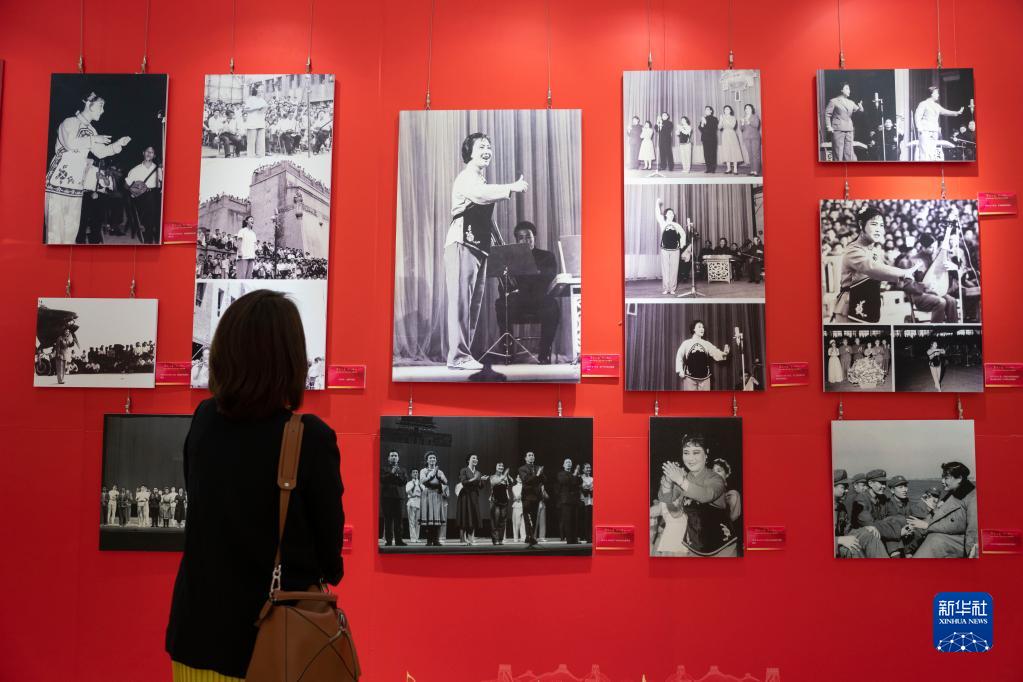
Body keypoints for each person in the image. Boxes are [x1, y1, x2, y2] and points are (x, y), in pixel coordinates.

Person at [166, 289, 344, 681]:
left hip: (196, 637)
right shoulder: (310, 437)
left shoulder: (204, 420)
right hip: (276, 647)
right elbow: (330, 559)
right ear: (290, 359)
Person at [445, 133, 528, 371]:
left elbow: (487, 220)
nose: (487, 150)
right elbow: (481, 196)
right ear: (470, 153)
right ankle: (458, 356)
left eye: (489, 147)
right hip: (462, 243)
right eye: (481, 146)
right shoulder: (466, 177)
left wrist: (499, 246)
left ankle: (463, 355)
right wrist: (511, 187)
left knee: (472, 305)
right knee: (461, 303)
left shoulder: (480, 180)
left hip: (478, 246)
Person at [44, 92, 132, 244]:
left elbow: (101, 152)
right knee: (55, 232)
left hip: (76, 186)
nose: (103, 110)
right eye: (100, 106)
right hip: (57, 183)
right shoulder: (69, 122)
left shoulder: (92, 130)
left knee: (71, 232)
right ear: (88, 104)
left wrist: (117, 144)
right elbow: (70, 143)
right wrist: (94, 139)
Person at [833, 206, 919, 323]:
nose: (878, 229)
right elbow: (873, 269)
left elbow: (882, 272)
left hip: (869, 304)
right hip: (850, 306)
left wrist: (902, 279)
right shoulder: (853, 250)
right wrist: (904, 273)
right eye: (874, 224)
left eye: (881, 225)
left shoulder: (874, 250)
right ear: (861, 224)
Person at [494, 221, 560, 364]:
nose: (525, 241)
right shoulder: (510, 258)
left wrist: (529, 275)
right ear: (517, 240)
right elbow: (503, 287)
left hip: (539, 300)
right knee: (501, 303)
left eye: (528, 237)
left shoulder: (547, 256)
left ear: (534, 237)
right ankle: (508, 351)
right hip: (518, 302)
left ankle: (544, 354)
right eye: (521, 238)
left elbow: (548, 278)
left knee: (553, 305)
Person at [660, 435, 734, 556]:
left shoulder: (716, 478)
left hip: (723, 547)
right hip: (694, 547)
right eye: (686, 453)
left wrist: (680, 480)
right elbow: (667, 499)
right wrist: (667, 483)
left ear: (706, 453)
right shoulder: (684, 478)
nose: (690, 458)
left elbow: (706, 495)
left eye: (696, 452)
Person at [908, 461, 978, 558]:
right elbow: (938, 514)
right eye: (942, 477)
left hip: (959, 542)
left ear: (959, 479)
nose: (942, 481)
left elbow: (972, 532)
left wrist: (927, 526)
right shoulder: (952, 493)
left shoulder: (973, 498)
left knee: (934, 540)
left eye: (946, 478)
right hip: (945, 536)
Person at [833, 470, 886, 558]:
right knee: (853, 548)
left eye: (847, 487)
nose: (847, 490)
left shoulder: (841, 507)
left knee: (869, 534)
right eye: (843, 487)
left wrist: (865, 528)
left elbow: (847, 529)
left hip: (843, 538)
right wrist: (838, 540)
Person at [675, 320, 730, 391]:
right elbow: (679, 356)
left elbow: (715, 352)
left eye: (703, 327)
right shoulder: (686, 343)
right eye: (699, 327)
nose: (702, 329)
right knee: (690, 398)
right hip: (689, 377)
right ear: (693, 329)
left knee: (705, 398)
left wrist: (724, 353)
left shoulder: (706, 343)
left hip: (705, 378)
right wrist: (680, 370)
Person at [124, 146, 164, 244]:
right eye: (147, 151)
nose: (149, 153)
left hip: (156, 194)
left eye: (151, 152)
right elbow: (126, 185)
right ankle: (148, 241)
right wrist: (134, 190)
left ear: (154, 155)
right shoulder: (135, 170)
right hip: (142, 197)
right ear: (143, 153)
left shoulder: (159, 168)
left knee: (157, 218)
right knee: (149, 219)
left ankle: (156, 239)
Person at [915, 86, 964, 160]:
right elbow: (917, 116)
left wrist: (956, 112)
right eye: (937, 93)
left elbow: (945, 111)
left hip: (934, 131)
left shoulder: (936, 106)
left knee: (932, 152)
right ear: (932, 94)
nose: (938, 95)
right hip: (925, 131)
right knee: (924, 152)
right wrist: (919, 128)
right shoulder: (923, 104)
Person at [824, 82, 863, 161]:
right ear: (841, 90)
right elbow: (827, 114)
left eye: (849, 89)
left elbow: (859, 111)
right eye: (847, 88)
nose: (849, 91)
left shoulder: (851, 102)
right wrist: (828, 126)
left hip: (849, 129)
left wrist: (861, 108)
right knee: (838, 154)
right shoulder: (833, 101)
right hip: (838, 129)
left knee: (848, 154)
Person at [655, 199, 685, 296]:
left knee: (674, 270)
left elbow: (683, 235)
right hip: (664, 249)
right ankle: (666, 288)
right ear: (666, 215)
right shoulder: (663, 223)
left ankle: (672, 288)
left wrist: (682, 244)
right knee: (665, 270)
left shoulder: (677, 225)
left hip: (675, 250)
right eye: (669, 213)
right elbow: (657, 214)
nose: (671, 214)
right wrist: (657, 203)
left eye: (672, 213)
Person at [457, 454, 487, 545]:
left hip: (474, 496)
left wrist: (482, 480)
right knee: (464, 516)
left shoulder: (478, 472)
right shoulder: (464, 470)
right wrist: (475, 478)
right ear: (468, 460)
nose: (476, 459)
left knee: (473, 516)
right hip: (465, 496)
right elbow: (464, 482)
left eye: (476, 458)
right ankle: (463, 539)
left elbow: (480, 487)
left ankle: (471, 539)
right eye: (473, 458)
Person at [418, 452, 447, 547]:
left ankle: (436, 540)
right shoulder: (423, 470)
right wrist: (431, 474)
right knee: (429, 517)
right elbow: (422, 481)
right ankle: (429, 540)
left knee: (437, 517)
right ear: (427, 460)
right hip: (428, 494)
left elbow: (445, 482)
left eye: (434, 458)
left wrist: (439, 477)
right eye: (430, 458)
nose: (432, 459)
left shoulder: (440, 471)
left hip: (437, 495)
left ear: (436, 460)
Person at [380, 450, 407, 547]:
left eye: (395, 455)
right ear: (388, 458)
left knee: (399, 520)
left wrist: (396, 474)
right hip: (387, 497)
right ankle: (388, 540)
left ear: (398, 458)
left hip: (399, 497)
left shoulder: (402, 470)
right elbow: (382, 479)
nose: (394, 457)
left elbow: (403, 482)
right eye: (392, 456)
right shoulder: (384, 468)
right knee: (388, 520)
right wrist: (392, 473)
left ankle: (399, 540)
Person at [518, 452, 545, 547]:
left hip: (536, 496)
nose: (531, 457)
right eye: (529, 455)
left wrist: (541, 475)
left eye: (533, 455)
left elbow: (544, 479)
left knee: (534, 517)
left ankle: (531, 536)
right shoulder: (522, 468)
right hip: (527, 496)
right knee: (527, 517)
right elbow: (526, 480)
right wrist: (537, 475)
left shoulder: (538, 468)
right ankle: (530, 536)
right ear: (525, 458)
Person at [556, 459, 583, 544]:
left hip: (574, 500)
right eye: (567, 462)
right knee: (568, 521)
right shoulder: (561, 474)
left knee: (574, 520)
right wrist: (575, 474)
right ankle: (570, 540)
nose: (568, 464)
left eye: (570, 462)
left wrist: (578, 474)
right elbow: (566, 481)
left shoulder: (573, 474)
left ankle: (574, 539)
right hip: (566, 500)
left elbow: (579, 482)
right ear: (563, 465)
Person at [488, 463, 512, 545]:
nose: (501, 467)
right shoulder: (492, 477)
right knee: (495, 520)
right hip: (495, 501)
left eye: (502, 466)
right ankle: (495, 539)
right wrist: (504, 476)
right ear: (496, 468)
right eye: (499, 466)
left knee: (502, 521)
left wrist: (508, 477)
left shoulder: (505, 477)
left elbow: (510, 484)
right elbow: (494, 483)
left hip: (504, 501)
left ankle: (500, 539)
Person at [243, 83, 268, 158]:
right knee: (251, 142)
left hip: (260, 122)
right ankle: (251, 156)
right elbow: (245, 110)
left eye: (263, 89)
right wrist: (256, 108)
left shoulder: (263, 100)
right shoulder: (250, 99)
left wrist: (264, 109)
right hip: (252, 122)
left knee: (261, 142)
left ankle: (260, 156)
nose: (262, 90)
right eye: (261, 88)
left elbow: (264, 110)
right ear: (256, 89)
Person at [718, 105, 743, 175]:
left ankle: (735, 169)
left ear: (730, 110)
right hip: (725, 134)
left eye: (728, 109)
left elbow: (732, 126)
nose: (727, 110)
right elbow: (719, 127)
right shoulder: (722, 118)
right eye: (725, 109)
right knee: (726, 151)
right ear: (724, 110)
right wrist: (721, 120)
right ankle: (728, 168)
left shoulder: (733, 117)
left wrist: (725, 119)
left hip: (732, 134)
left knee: (734, 150)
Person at [740, 104, 762, 175]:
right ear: (745, 110)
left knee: (755, 154)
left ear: (752, 109)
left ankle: (756, 171)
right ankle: (752, 170)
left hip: (755, 138)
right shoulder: (743, 117)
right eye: (746, 108)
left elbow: (756, 125)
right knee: (750, 154)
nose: (747, 109)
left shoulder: (755, 116)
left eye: (749, 108)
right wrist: (742, 123)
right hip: (746, 138)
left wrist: (749, 122)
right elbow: (741, 129)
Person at [699, 107, 719, 173]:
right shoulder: (704, 118)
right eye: (705, 110)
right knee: (706, 154)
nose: (706, 111)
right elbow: (700, 129)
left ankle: (713, 169)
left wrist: (705, 122)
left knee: (712, 154)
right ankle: (708, 168)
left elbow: (713, 128)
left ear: (711, 111)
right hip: (705, 138)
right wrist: (702, 123)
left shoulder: (714, 119)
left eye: (708, 109)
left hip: (712, 138)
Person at [405, 469, 422, 542]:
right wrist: (414, 485)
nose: (415, 473)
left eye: (416, 472)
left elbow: (423, 491)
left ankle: (417, 538)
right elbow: (408, 491)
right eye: (414, 472)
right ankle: (413, 538)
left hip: (419, 501)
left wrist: (419, 484)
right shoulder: (409, 483)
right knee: (411, 521)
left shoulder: (421, 483)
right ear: (411, 474)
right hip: (412, 501)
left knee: (418, 521)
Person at [579, 463, 593, 543]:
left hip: (591, 501)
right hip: (583, 501)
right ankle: (583, 536)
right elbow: (581, 489)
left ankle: (589, 537)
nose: (589, 469)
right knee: (583, 519)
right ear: (583, 469)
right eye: (587, 468)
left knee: (589, 520)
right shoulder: (581, 478)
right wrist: (588, 488)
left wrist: (591, 489)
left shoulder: (592, 478)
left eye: (589, 468)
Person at [510, 475, 525, 541]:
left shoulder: (524, 486)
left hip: (523, 505)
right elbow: (517, 497)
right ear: (516, 478)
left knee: (523, 522)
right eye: (518, 477)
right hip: (517, 505)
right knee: (516, 522)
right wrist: (520, 496)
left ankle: (523, 537)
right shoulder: (514, 487)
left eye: (521, 477)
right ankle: (516, 537)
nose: (520, 478)